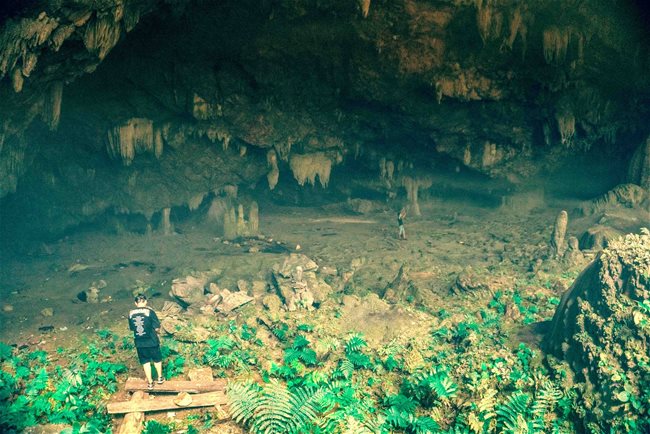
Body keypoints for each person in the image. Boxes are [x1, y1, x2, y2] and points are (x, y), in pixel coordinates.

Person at [128, 294, 164, 389]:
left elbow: (132, 328)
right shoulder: (150, 312)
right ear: (146, 301)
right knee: (157, 359)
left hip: (140, 343)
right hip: (152, 341)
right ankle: (160, 378)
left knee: (145, 362)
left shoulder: (131, 313)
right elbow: (157, 326)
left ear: (135, 303)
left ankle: (150, 383)